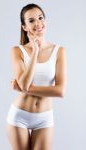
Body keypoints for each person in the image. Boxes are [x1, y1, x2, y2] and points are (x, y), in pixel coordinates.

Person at [5, 3, 67, 150]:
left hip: (44, 119)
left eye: (40, 18)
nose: (38, 23)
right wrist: (34, 52)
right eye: (31, 20)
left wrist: (23, 89)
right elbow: (24, 84)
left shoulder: (59, 51)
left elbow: (60, 91)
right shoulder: (17, 51)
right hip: (19, 117)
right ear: (24, 27)